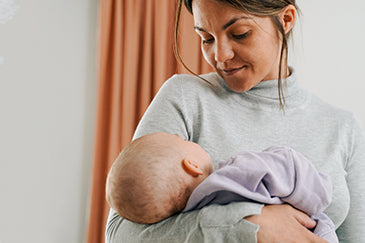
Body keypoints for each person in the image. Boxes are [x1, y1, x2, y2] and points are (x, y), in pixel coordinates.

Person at [105, 0, 365, 242]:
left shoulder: (343, 127)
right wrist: (244, 226)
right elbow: (119, 234)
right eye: (206, 38)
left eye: (240, 33)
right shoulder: (185, 97)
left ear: (286, 19)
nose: (220, 55)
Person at [105, 132, 338, 243]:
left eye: (240, 34)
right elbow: (290, 169)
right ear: (192, 166)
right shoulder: (237, 172)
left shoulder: (189, 218)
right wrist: (316, 200)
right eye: (185, 141)